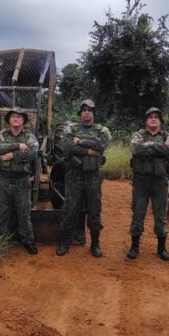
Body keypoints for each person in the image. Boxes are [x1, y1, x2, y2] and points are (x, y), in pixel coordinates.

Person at [57, 99, 111, 257]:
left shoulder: (102, 130)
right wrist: (89, 151)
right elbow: (66, 146)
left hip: (93, 175)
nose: (87, 112)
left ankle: (95, 244)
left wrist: (80, 142)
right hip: (74, 174)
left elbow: (101, 145)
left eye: (90, 110)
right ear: (80, 113)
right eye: (84, 110)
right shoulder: (71, 128)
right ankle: (65, 242)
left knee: (94, 210)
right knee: (70, 209)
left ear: (94, 113)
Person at [127, 107, 169, 261]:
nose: (153, 119)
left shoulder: (167, 136)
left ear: (160, 121)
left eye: (156, 116)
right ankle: (134, 246)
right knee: (138, 214)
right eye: (150, 117)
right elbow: (136, 149)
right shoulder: (139, 135)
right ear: (146, 121)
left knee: (161, 215)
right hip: (141, 181)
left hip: (160, 181)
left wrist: (150, 145)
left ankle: (161, 248)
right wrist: (159, 150)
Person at [0, 107, 39, 255]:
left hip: (22, 181)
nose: (16, 119)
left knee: (24, 214)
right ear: (9, 120)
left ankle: (28, 241)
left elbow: (33, 152)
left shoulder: (29, 136)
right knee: (2, 214)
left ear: (23, 120)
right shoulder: (2, 134)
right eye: (13, 116)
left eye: (19, 117)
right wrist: (18, 146)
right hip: (4, 180)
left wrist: (12, 155)